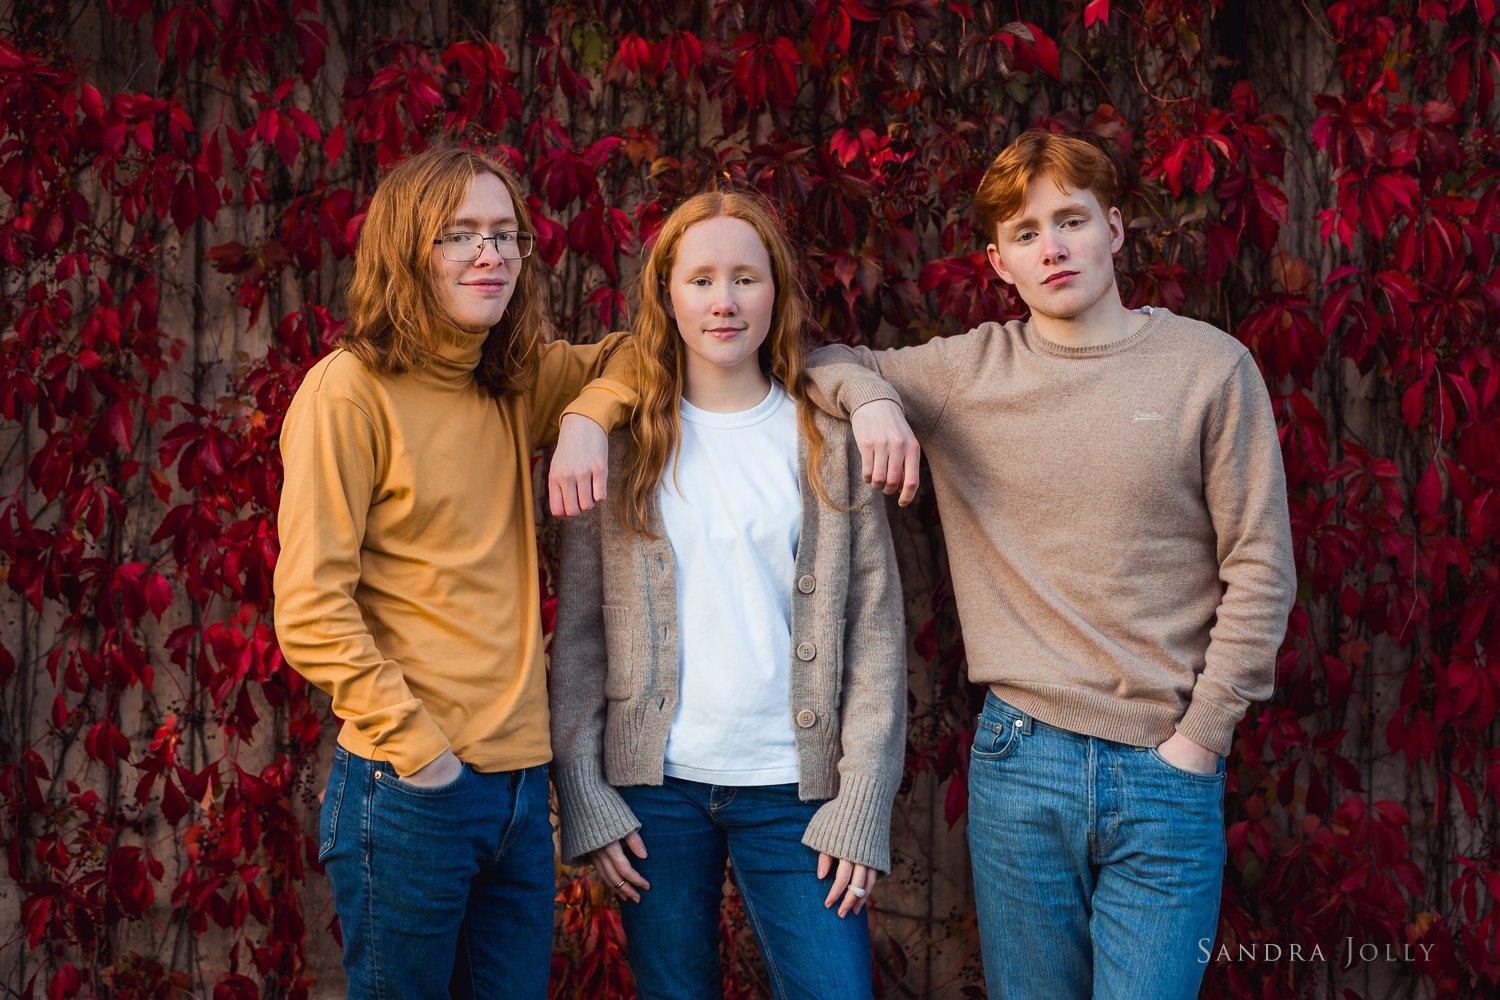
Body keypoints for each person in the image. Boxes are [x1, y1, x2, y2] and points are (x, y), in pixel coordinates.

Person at [804, 129, 1297, 1000]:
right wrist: (876, 399)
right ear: (999, 262)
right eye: (1027, 233)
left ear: (1115, 228)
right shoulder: (969, 373)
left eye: (1071, 220)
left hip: (1166, 765)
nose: (1053, 247)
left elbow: (1260, 567)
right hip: (1020, 759)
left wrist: (1201, 737)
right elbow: (819, 363)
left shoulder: (1210, 369)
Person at [272, 144, 635, 999]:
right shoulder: (347, 392)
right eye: (461, 234)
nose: (492, 254)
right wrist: (421, 753)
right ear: (408, 251)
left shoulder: (509, 383)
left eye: (506, 234)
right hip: (412, 792)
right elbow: (311, 608)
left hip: (517, 795)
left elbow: (639, 353)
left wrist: (584, 417)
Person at [548, 190, 907, 1000]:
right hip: (656, 796)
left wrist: (863, 799)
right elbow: (578, 636)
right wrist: (587, 792)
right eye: (701, 279)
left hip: (798, 793)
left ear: (775, 292)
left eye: (745, 277)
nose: (724, 300)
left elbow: (875, 632)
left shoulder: (828, 436)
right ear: (667, 295)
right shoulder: (618, 444)